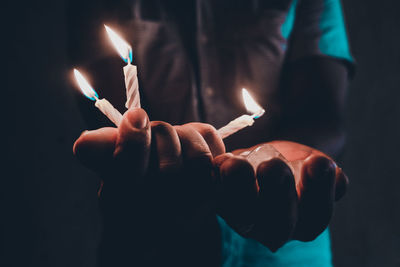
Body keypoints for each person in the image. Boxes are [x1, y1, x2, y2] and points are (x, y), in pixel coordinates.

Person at [68, 0, 353, 266]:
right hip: (153, 243)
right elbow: (115, 119)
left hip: (284, 254)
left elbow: (322, 113)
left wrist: (288, 160)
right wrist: (150, 157)